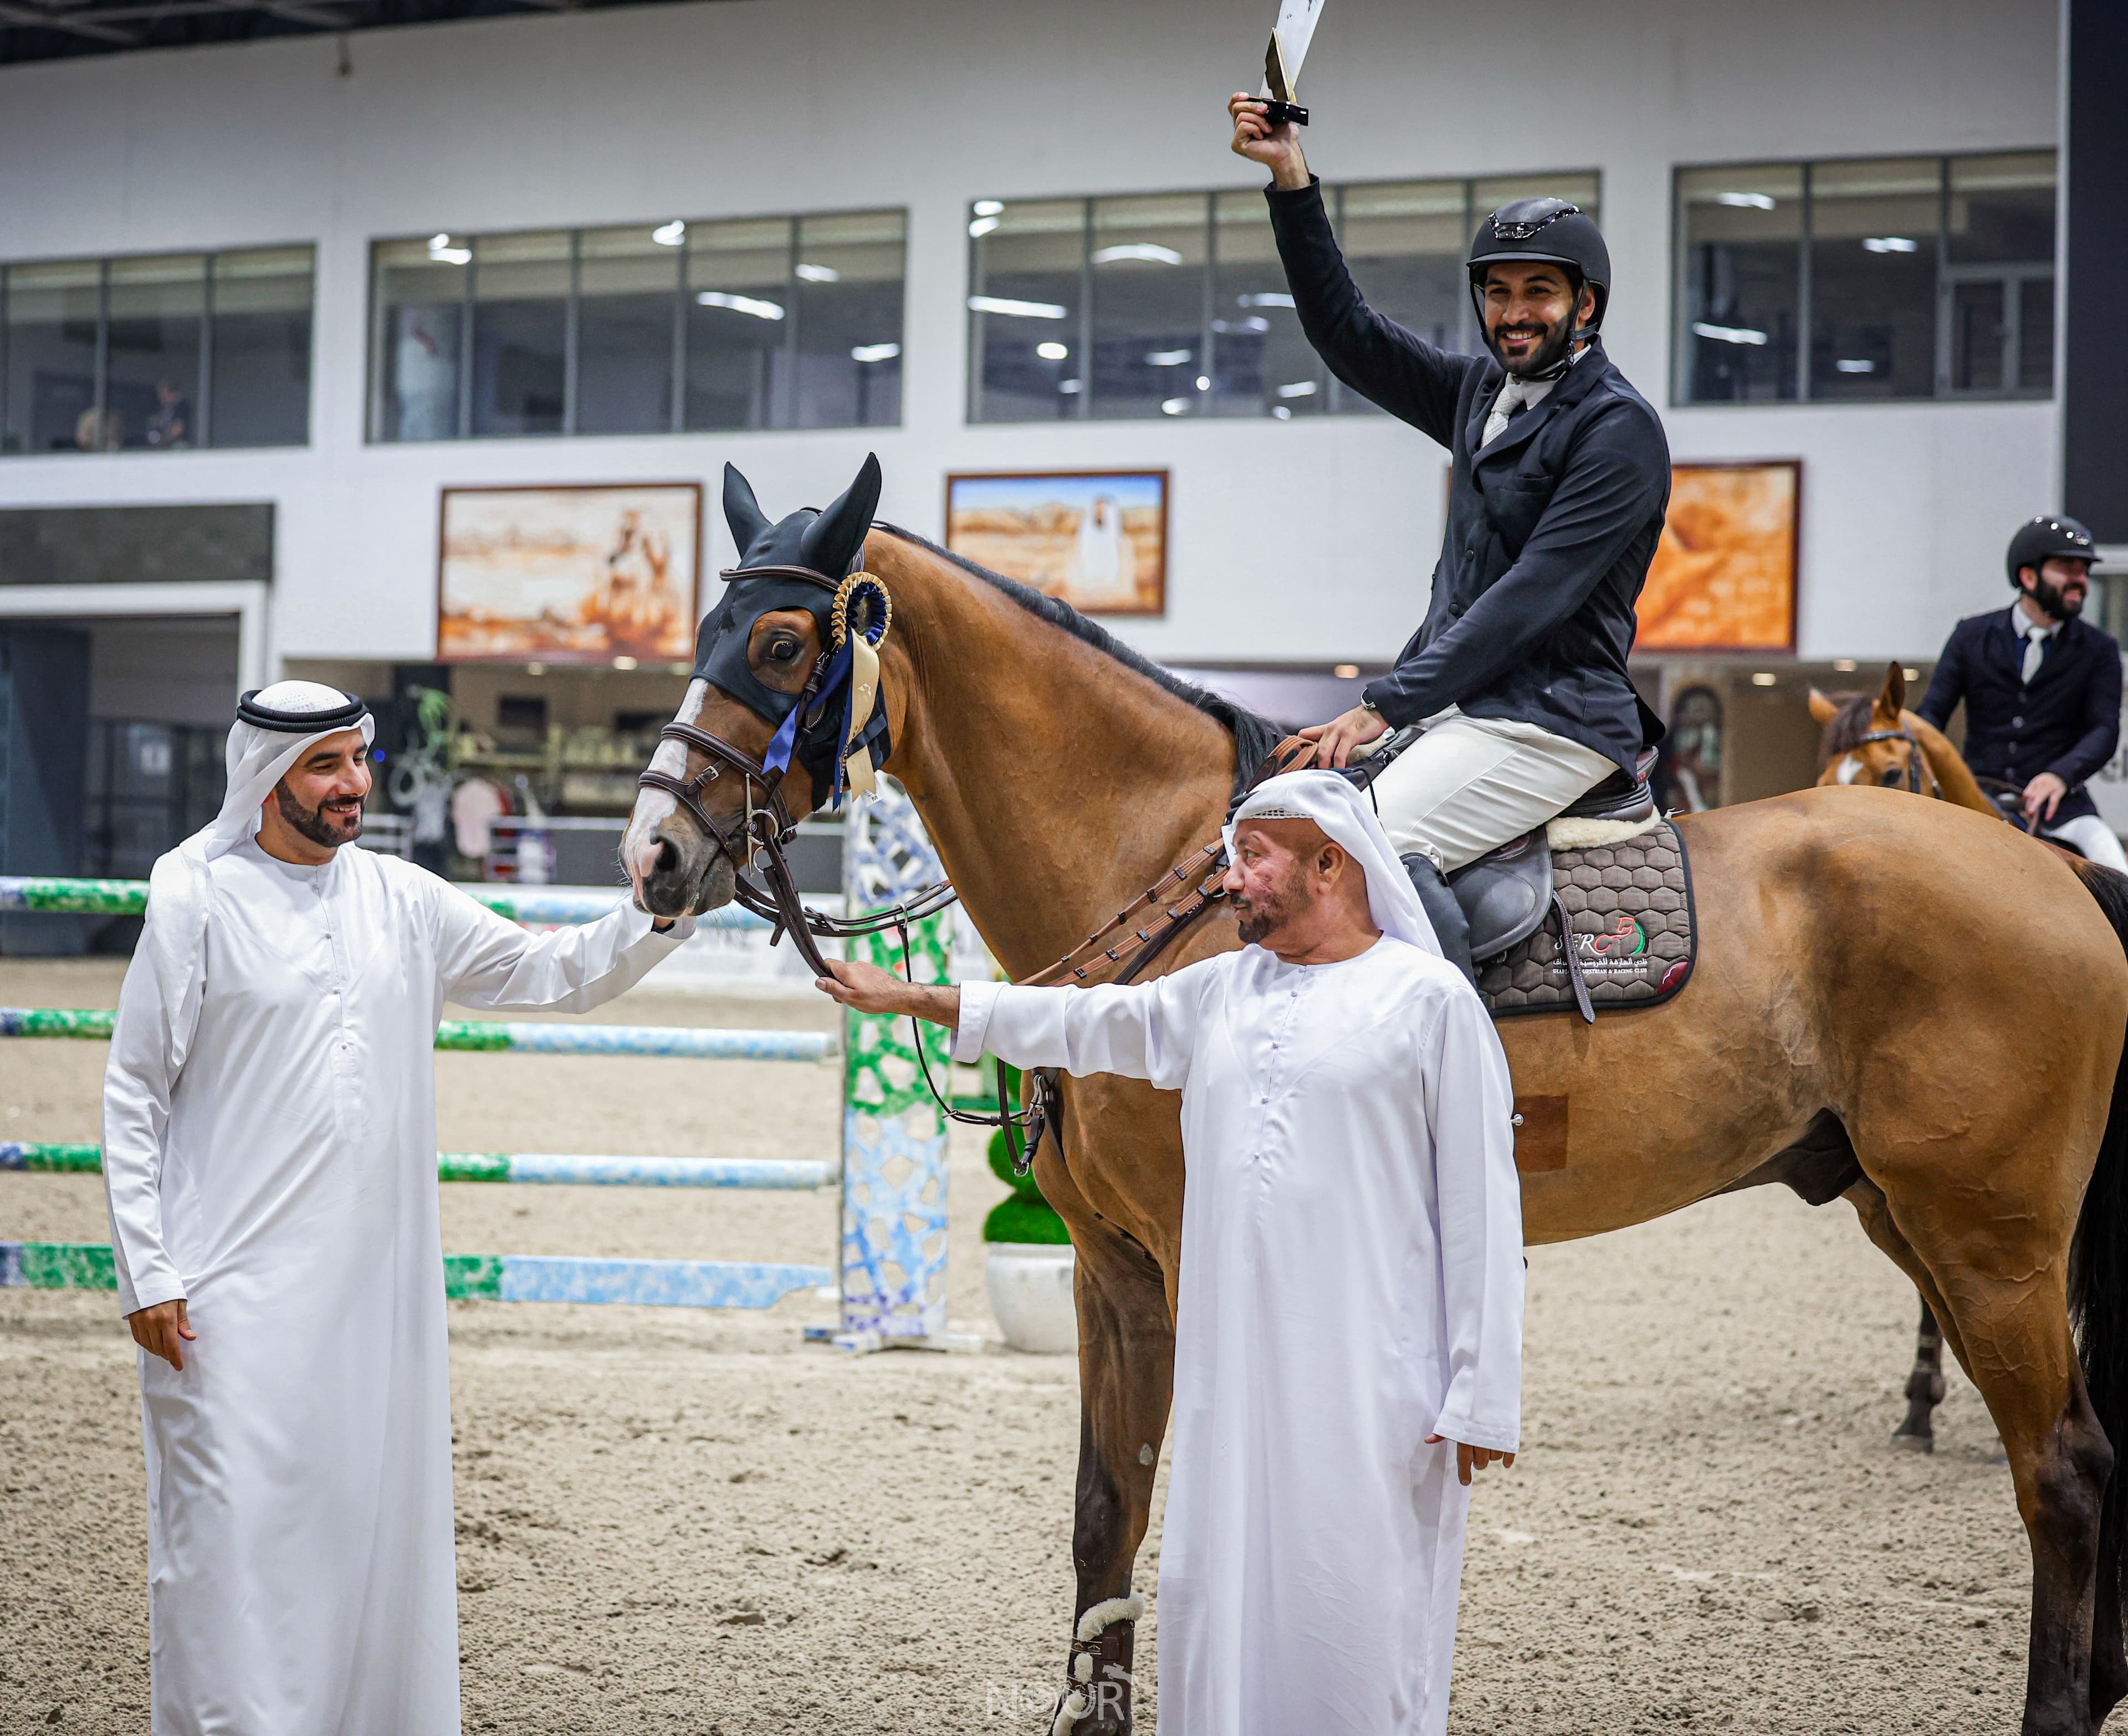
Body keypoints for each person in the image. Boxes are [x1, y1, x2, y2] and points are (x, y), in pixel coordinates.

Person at [817, 769, 1524, 1736]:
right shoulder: (1222, 990)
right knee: (1224, 1586)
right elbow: (1082, 1019)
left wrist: (1483, 1389)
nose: (1230, 881)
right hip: (1232, 1385)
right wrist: (920, 998)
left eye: (1253, 859)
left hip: (1378, 1390)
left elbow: (1484, 1203)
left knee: (1360, 1603)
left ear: (1330, 861)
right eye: (1230, 859)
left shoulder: (1431, 1000)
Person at [103, 679, 694, 1735]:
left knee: (362, 1541)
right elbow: (135, 1090)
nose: (354, 784)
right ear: (266, 776)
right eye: (327, 765)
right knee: (228, 1549)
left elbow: (547, 969)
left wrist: (659, 912)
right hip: (222, 1301)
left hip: (375, 1307)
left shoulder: (403, 898)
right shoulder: (193, 892)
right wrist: (148, 1269)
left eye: (358, 761)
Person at [1227, 93, 1672, 981]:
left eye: (1538, 293)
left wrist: (1385, 702)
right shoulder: (1480, 397)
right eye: (1499, 293)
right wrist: (1289, 180)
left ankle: (1449, 1078)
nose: (1514, 312)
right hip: (1465, 712)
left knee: (1365, 848)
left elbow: (1532, 597)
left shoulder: (1619, 430)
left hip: (1551, 719)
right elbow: (1347, 335)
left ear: (1586, 307)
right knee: (1285, 816)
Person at [1917, 515, 2126, 872]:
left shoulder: (2099, 649)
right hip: (1975, 796)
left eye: (2084, 570)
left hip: (2063, 809)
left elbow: (2104, 730)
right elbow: (1933, 712)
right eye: (2066, 568)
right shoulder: (1971, 636)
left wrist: (2059, 775)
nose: (2080, 580)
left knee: (2116, 869)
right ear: (2028, 576)